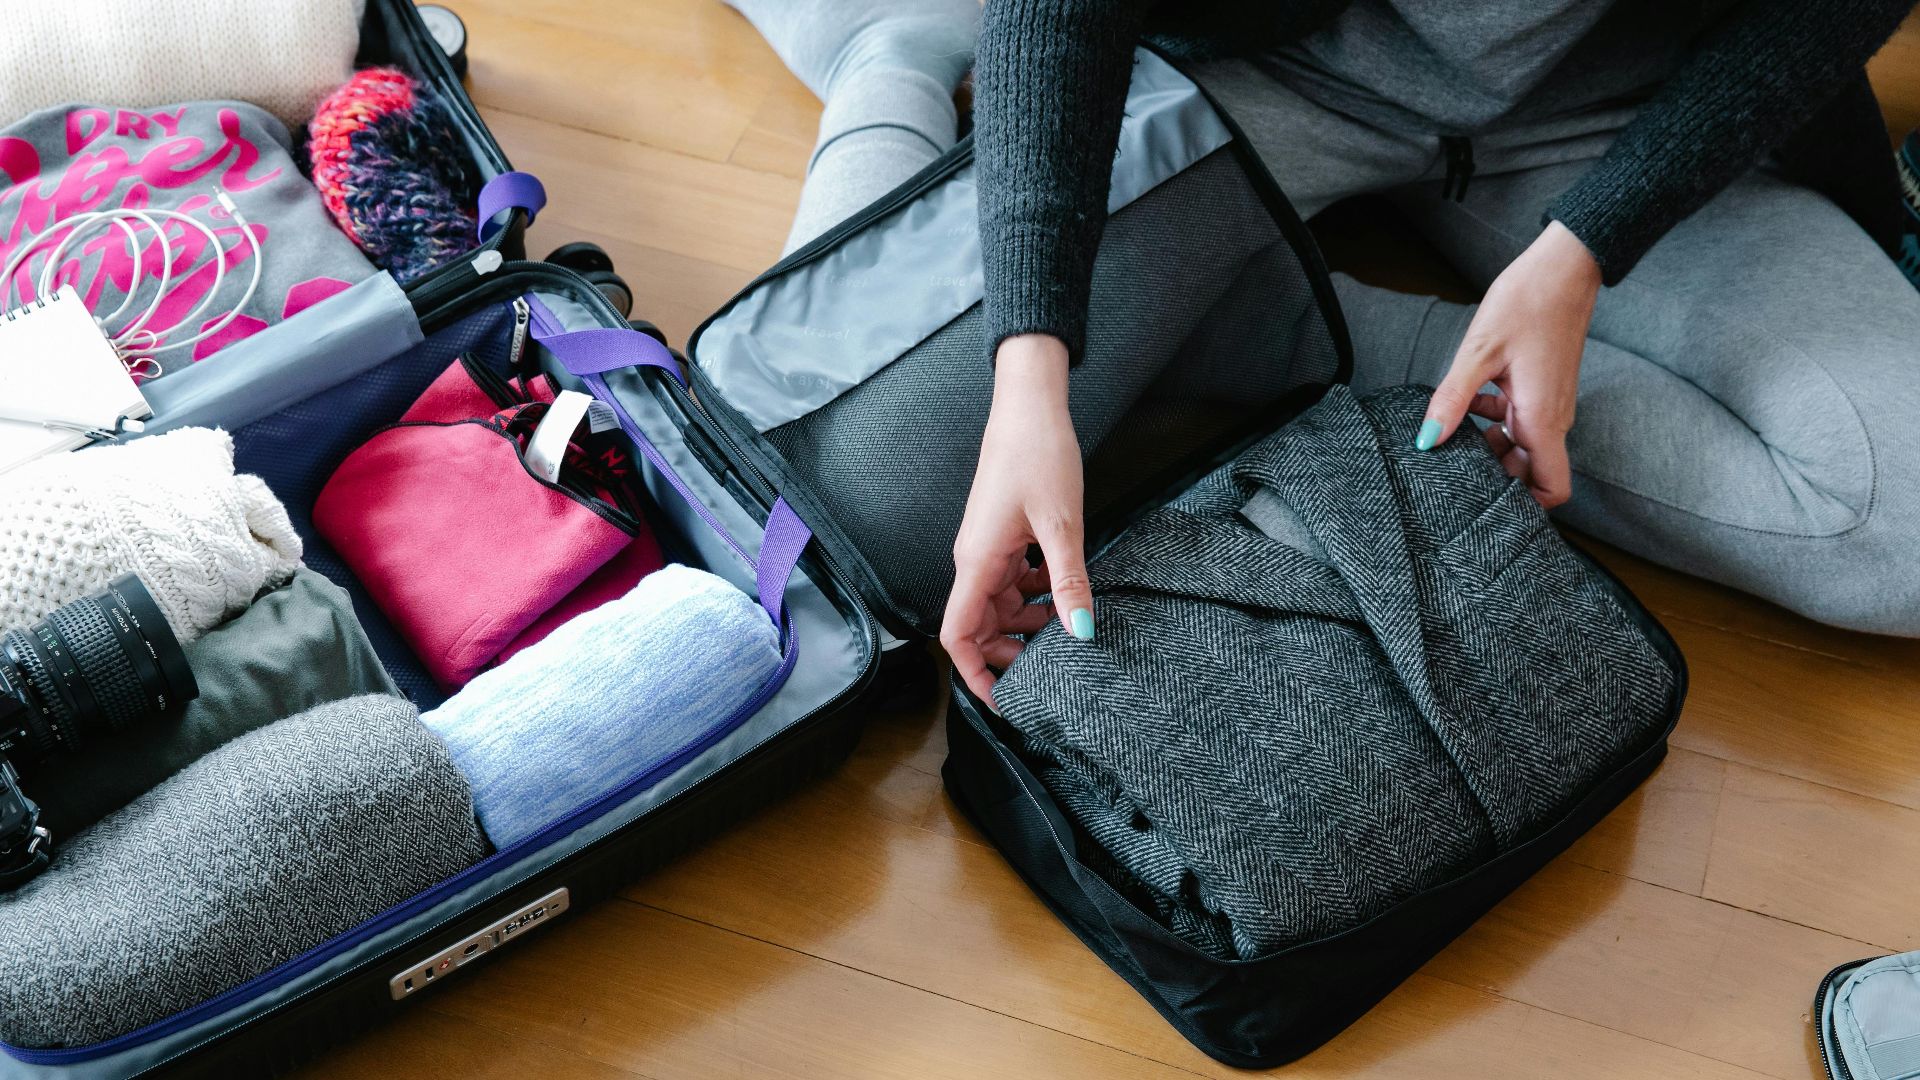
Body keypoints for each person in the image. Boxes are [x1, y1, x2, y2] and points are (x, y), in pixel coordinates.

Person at [724, 0, 1920, 708]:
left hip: (1621, 115)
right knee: (850, 504)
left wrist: (1584, 251)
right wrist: (1031, 369)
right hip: (1274, 68)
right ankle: (898, 48)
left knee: (1901, 528)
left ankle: (1277, 316)